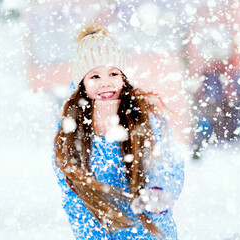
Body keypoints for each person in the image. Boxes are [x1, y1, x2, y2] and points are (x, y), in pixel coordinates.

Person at [52, 23, 184, 239]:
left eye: (113, 73)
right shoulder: (71, 130)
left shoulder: (144, 117)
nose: (106, 83)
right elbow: (72, 193)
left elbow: (168, 161)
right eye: (95, 76)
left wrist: (159, 190)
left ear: (123, 77)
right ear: (82, 84)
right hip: (101, 230)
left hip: (150, 232)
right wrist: (93, 235)